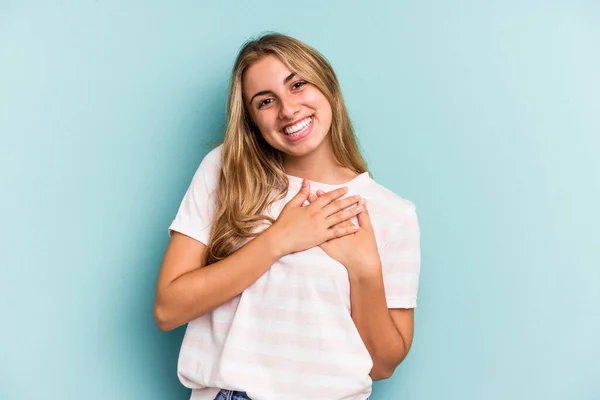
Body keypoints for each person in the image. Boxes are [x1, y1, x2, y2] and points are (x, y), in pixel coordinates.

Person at [154, 32, 421, 400]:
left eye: (297, 84)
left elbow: (382, 365)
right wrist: (279, 240)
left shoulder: (393, 214)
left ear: (327, 85)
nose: (288, 109)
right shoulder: (226, 171)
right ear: (251, 119)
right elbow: (169, 309)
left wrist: (365, 271)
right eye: (266, 101)